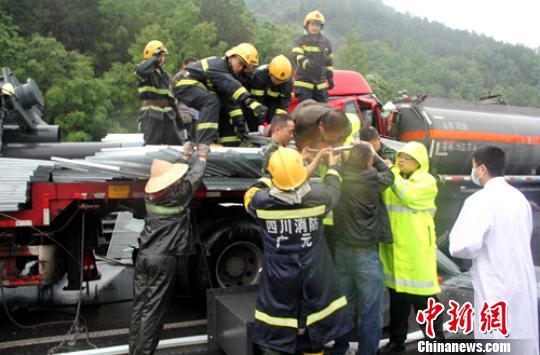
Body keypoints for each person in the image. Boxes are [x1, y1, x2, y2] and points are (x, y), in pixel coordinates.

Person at [244, 147, 353, 355]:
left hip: (279, 282)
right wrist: (332, 164)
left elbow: (251, 192)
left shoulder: (262, 203)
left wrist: (280, 172)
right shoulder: (319, 198)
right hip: (313, 278)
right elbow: (334, 187)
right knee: (314, 340)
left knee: (275, 338)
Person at [449, 146, 538, 354]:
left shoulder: (480, 201)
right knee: (521, 335)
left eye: (473, 167)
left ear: (482, 169)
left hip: (495, 283)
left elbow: (463, 246)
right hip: (520, 282)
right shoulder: (518, 198)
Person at [128, 142, 209, 355]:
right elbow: (194, 177)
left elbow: (174, 177)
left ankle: (133, 350)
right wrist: (201, 157)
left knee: (140, 307)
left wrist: (184, 156)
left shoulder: (150, 196)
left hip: (144, 257)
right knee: (153, 312)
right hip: (163, 260)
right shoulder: (179, 195)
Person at [378, 141, 444, 354]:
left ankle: (437, 343)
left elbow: (408, 195)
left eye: (406, 158)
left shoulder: (426, 182)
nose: (401, 160)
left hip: (416, 252)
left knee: (425, 301)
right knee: (398, 302)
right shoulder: (393, 175)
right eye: (400, 157)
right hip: (395, 251)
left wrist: (389, 170)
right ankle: (396, 342)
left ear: (419, 162)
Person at [330, 142, 394, 355]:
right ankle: (367, 352)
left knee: (343, 304)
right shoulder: (373, 179)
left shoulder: (338, 176)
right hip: (365, 252)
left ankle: (340, 348)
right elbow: (389, 174)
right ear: (368, 161)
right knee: (370, 309)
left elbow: (334, 170)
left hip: (342, 250)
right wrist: (375, 154)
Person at [172, 43, 267, 145]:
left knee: (222, 107)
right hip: (184, 83)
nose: (241, 69)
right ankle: (205, 142)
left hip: (196, 86)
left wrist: (239, 123)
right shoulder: (219, 65)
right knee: (211, 101)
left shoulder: (226, 73)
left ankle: (229, 146)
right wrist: (249, 100)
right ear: (231, 57)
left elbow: (230, 101)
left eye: (245, 67)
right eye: (241, 63)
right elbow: (231, 84)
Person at [135, 40, 184, 146]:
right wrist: (153, 58)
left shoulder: (165, 75)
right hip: (151, 116)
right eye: (159, 55)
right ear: (151, 55)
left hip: (168, 116)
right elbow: (141, 70)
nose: (162, 59)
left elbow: (171, 100)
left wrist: (181, 123)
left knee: (176, 146)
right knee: (152, 146)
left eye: (163, 56)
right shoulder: (144, 71)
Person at [292, 10, 334, 103]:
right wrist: (308, 64)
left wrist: (330, 77)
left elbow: (329, 62)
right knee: (306, 112)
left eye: (318, 25)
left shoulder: (326, 43)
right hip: (304, 84)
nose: (315, 27)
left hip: (320, 85)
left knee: (324, 112)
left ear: (321, 27)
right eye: (313, 24)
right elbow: (297, 57)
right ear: (307, 25)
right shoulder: (300, 41)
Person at [245, 55, 294, 132]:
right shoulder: (260, 75)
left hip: (275, 102)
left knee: (275, 123)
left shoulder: (288, 82)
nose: (279, 82)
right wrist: (261, 123)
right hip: (258, 101)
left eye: (283, 81)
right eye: (277, 79)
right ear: (270, 73)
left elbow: (283, 105)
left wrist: (275, 123)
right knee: (254, 119)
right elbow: (258, 100)